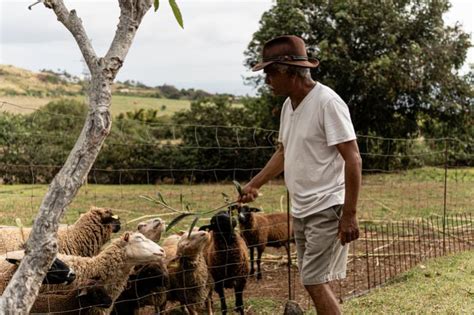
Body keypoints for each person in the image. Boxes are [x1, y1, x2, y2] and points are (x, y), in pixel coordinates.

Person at [238, 35, 362, 314]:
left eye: (270, 73)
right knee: (312, 279)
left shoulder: (327, 103)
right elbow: (285, 152)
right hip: (301, 208)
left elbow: (353, 158)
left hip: (327, 205)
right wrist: (254, 184)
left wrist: (350, 214)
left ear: (288, 71)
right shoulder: (288, 105)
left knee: (313, 280)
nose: (266, 80)